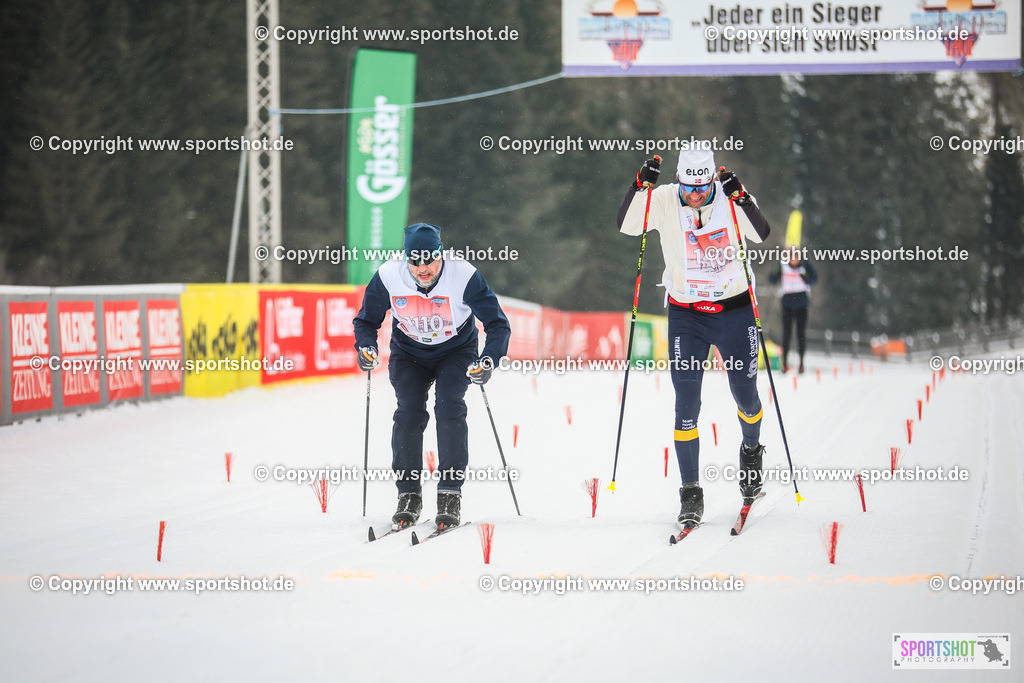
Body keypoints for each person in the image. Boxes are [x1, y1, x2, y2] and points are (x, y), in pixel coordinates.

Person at [617, 144, 771, 529]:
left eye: (703, 188)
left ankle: (751, 451)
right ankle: (690, 494)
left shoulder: (729, 195)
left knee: (746, 396)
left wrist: (744, 199)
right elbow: (627, 225)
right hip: (687, 314)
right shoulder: (667, 198)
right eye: (690, 188)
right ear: (680, 181)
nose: (697, 195)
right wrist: (638, 186)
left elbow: (762, 233)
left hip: (734, 312)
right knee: (686, 404)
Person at [353, 223, 511, 530]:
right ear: (406, 258)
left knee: (449, 406)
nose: (423, 268)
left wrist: (489, 360)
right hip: (409, 352)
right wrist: (366, 347)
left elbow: (497, 324)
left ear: (441, 255)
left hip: (456, 350)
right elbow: (366, 321)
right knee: (409, 412)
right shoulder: (388, 275)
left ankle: (450, 494)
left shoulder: (464, 274)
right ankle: (408, 494)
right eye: (415, 261)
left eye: (430, 260)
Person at [768, 251, 818, 374]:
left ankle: (801, 363)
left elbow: (813, 279)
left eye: (796, 258)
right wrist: (777, 269)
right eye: (792, 258)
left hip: (802, 304)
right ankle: (784, 363)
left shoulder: (805, 265)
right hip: (787, 304)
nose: (793, 260)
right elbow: (771, 279)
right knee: (786, 334)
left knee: (800, 334)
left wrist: (804, 276)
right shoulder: (783, 265)